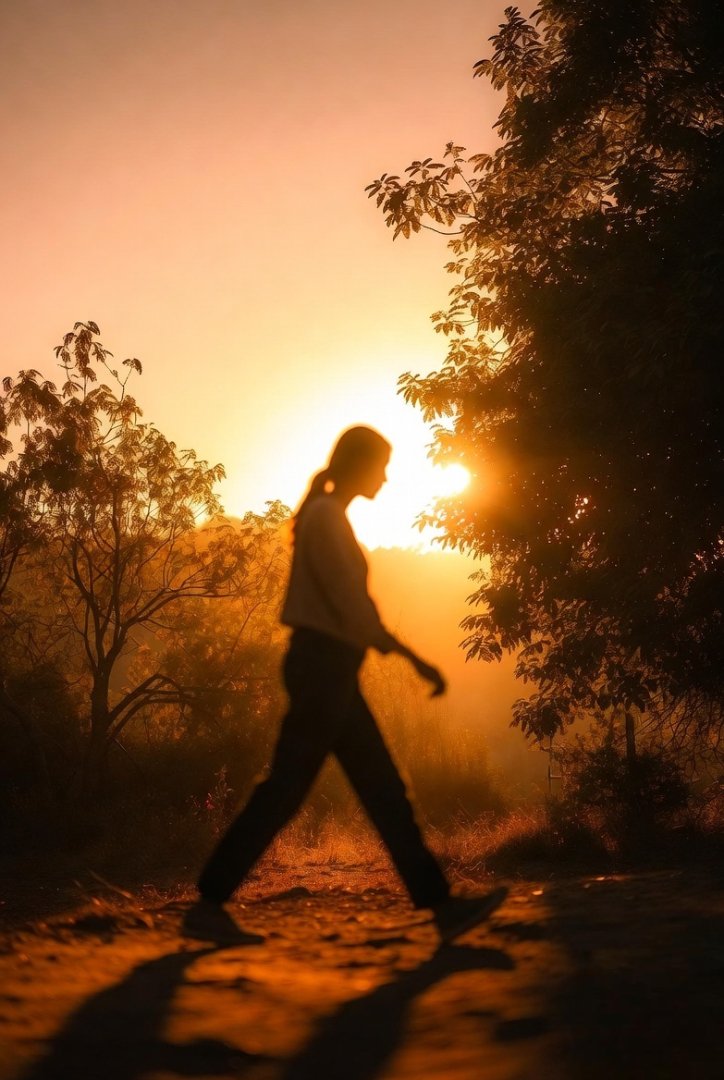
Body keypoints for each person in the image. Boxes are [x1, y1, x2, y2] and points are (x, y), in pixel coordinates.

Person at [191, 425, 506, 943]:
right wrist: (412, 658)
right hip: (323, 669)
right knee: (292, 790)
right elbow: (353, 607)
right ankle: (208, 903)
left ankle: (442, 906)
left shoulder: (328, 517)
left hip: (330, 670)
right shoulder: (327, 520)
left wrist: (404, 656)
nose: (385, 476)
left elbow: (353, 609)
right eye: (381, 465)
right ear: (359, 465)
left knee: (380, 791)